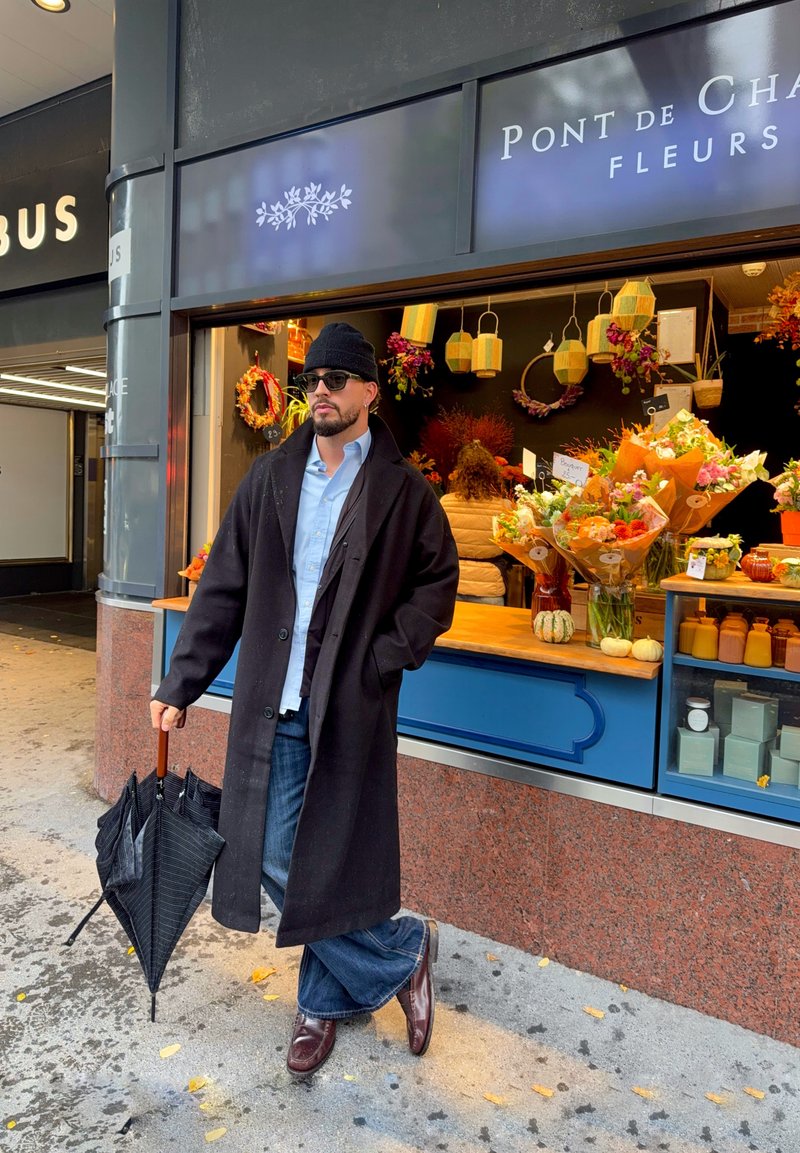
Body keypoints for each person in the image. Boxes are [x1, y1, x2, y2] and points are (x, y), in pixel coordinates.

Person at [150, 322, 459, 1078]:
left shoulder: (404, 491)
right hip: (274, 707)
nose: (319, 388)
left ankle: (320, 1004)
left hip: (348, 709)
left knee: (328, 857)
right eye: (312, 377)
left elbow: (437, 584)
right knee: (275, 854)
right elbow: (223, 585)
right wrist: (181, 680)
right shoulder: (270, 477)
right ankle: (403, 949)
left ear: (369, 393)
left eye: (337, 378)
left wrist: (384, 659)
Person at [440, 440, 510, 605]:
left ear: (460, 471)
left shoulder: (445, 503)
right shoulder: (503, 507)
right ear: (491, 471)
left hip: (454, 584)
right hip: (490, 588)